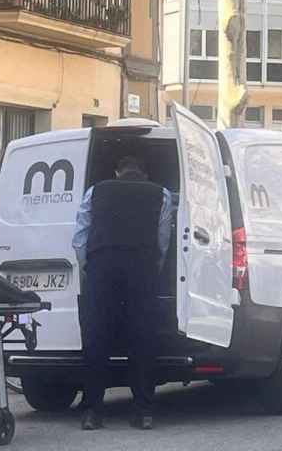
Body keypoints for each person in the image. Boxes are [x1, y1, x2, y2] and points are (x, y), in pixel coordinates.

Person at [72, 155, 172, 431]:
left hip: (102, 268)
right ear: (144, 173)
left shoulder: (96, 191)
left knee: (96, 339)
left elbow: (80, 236)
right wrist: (155, 267)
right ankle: (143, 412)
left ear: (117, 172)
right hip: (141, 268)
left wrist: (88, 268)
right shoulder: (160, 194)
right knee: (142, 339)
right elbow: (163, 239)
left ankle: (92, 411)